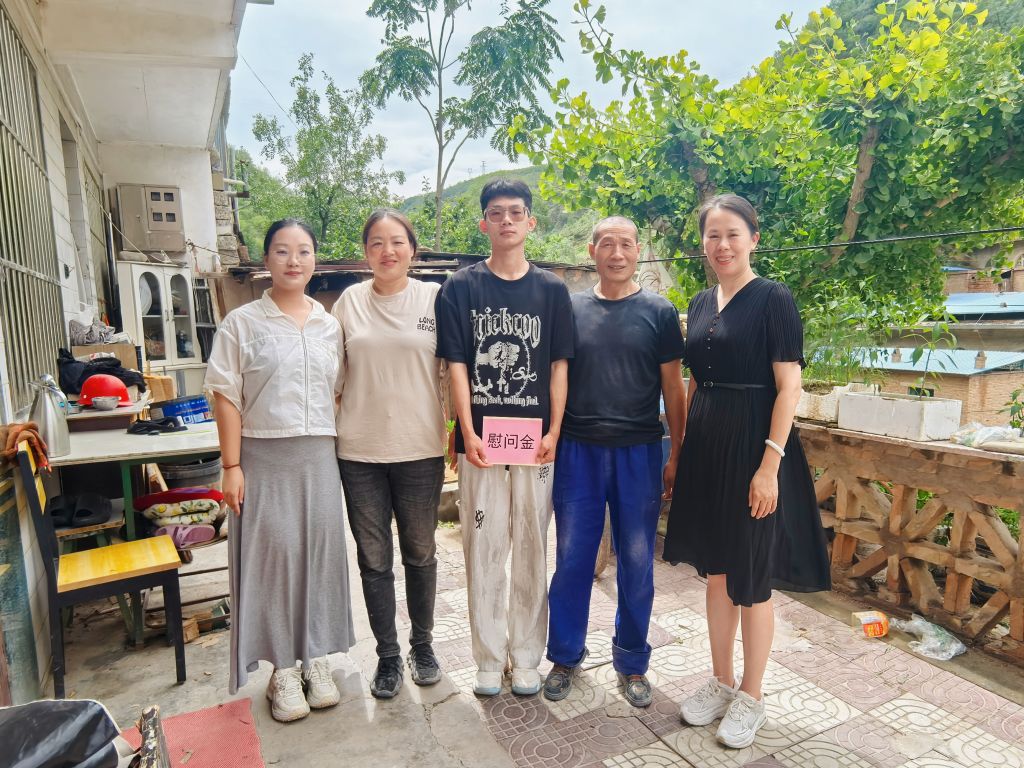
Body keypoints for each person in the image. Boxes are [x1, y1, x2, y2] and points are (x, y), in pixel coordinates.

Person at [663, 194, 830, 748]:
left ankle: (752, 696)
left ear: (754, 239)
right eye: (713, 235)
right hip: (708, 450)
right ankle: (721, 681)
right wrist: (680, 452)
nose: (722, 245)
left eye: (732, 233)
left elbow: (790, 388)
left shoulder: (774, 299)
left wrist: (769, 467)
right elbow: (694, 382)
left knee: (751, 580)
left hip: (755, 450)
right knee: (716, 572)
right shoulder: (699, 302)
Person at [205, 218, 356, 723]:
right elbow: (225, 395)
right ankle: (282, 670)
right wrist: (231, 465)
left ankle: (315, 657)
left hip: (319, 456)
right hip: (263, 455)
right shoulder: (242, 323)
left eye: (304, 251)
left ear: (315, 259)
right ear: (266, 259)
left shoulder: (329, 325)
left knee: (318, 556)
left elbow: (337, 391)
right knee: (275, 558)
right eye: (283, 251)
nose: (294, 260)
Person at [435, 178, 574, 697]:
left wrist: (555, 430)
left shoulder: (552, 290)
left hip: (535, 443)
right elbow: (456, 366)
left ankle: (528, 655)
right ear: (484, 224)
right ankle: (489, 658)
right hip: (482, 443)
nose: (507, 220)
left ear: (531, 222)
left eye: (516, 212)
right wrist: (465, 431)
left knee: (533, 544)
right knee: (484, 545)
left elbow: (558, 366)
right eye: (497, 213)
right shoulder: (460, 288)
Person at [544, 216, 686, 708]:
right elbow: (556, 376)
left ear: (638, 250)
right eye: (607, 244)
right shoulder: (571, 308)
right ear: (592, 251)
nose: (617, 253)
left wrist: (677, 452)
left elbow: (674, 388)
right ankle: (565, 655)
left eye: (626, 244)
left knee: (637, 561)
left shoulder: (659, 312)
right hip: (578, 452)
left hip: (639, 453)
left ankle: (632, 661)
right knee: (572, 559)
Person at [332, 209, 446, 699]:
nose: (387, 251)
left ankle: (423, 646)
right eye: (376, 242)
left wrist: (461, 430)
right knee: (374, 558)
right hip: (359, 451)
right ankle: (388, 655)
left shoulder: (435, 298)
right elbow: (333, 377)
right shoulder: (348, 302)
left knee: (420, 552)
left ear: (413, 250)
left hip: (420, 447)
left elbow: (454, 371)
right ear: (365, 253)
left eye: (397, 241)